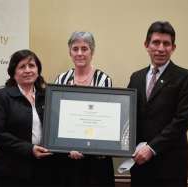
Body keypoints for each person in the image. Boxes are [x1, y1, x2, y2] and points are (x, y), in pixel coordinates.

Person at [128, 21, 188, 187]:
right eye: (156, 42)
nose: (160, 48)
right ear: (146, 45)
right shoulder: (136, 77)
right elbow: (127, 115)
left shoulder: (185, 77)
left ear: (173, 47)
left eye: (166, 43)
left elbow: (181, 121)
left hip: (170, 166)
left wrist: (151, 148)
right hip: (140, 165)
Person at [54, 31, 114, 186]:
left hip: (96, 159)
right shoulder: (61, 79)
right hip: (68, 157)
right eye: (75, 49)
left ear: (92, 52)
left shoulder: (104, 80)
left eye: (84, 48)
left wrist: (86, 147)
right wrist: (69, 147)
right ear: (70, 52)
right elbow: (57, 118)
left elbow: (105, 120)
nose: (79, 53)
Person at [0, 49, 55, 186]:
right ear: (14, 72)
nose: (28, 70)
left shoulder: (47, 96)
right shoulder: (2, 96)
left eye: (32, 65)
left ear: (38, 69)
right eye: (22, 66)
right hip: (12, 170)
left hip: (44, 169)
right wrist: (29, 149)